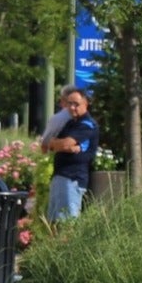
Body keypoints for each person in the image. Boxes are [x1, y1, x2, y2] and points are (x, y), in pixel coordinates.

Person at [42, 86, 98, 221]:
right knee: (54, 222)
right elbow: (48, 144)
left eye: (76, 104)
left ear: (86, 103)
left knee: (67, 223)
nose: (72, 107)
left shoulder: (87, 124)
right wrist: (62, 145)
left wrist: (62, 145)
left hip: (72, 179)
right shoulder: (71, 123)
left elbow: (64, 144)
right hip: (60, 177)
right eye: (69, 104)